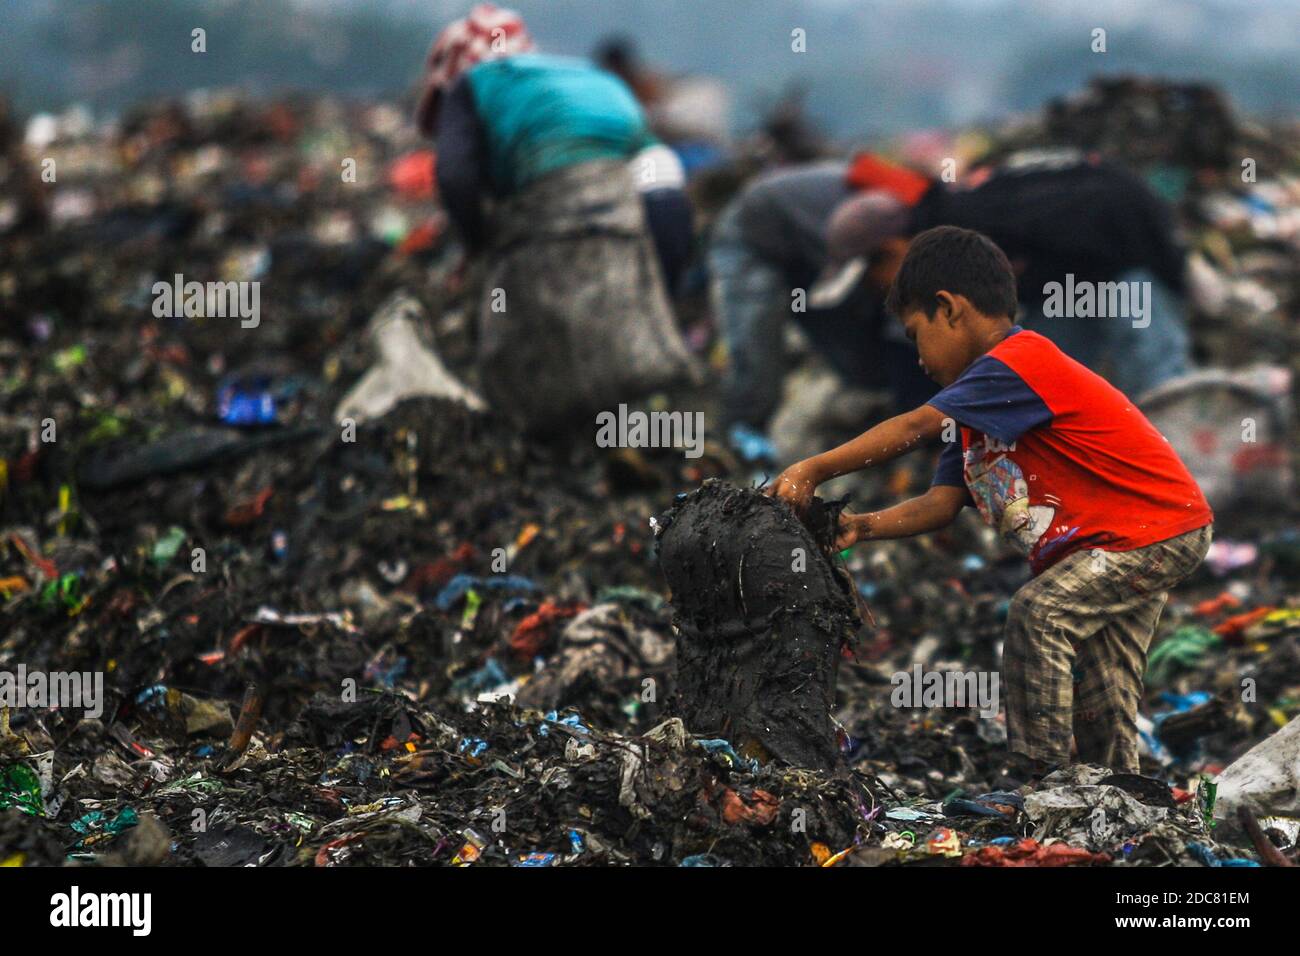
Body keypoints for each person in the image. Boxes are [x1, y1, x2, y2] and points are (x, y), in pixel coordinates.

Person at [770, 226, 1213, 774]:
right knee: (1105, 679)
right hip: (1133, 539)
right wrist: (864, 526)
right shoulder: (976, 416)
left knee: (1039, 613)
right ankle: (1112, 798)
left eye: (915, 336)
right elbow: (941, 501)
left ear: (949, 309)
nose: (918, 360)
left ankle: (1040, 776)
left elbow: (915, 423)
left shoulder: (1020, 362)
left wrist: (812, 468)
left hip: (1151, 529)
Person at [415, 4, 695, 429]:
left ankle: (538, 423)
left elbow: (455, 177)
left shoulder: (471, 85)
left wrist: (477, 244)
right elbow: (644, 151)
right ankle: (639, 421)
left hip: (558, 193)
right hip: (645, 195)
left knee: (531, 309)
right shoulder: (587, 75)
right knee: (626, 307)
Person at [812, 150, 1193, 400]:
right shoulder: (949, 241)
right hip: (1071, 276)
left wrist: (1171, 271)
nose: (874, 287)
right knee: (1038, 382)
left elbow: (1106, 221)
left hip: (1123, 249)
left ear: (894, 247)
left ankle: (1187, 469)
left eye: (869, 275)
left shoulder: (970, 234)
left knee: (1155, 373)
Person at [708, 161, 935, 447]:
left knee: (863, 355)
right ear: (891, 249)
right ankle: (737, 440)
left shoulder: (918, 226)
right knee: (757, 345)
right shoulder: (863, 228)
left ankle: (880, 409)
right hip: (753, 240)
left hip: (811, 248)